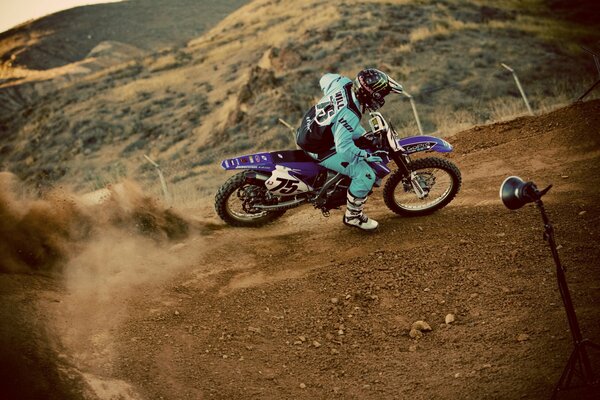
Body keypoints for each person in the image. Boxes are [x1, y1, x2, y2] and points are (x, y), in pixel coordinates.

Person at [296, 68, 403, 231]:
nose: (383, 98)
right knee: (365, 175)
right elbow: (343, 147)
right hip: (318, 147)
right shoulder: (351, 113)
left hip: (309, 127)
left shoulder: (342, 83)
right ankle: (353, 216)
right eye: (382, 94)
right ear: (369, 94)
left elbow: (324, 78)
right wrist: (364, 155)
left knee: (361, 134)